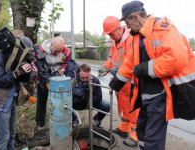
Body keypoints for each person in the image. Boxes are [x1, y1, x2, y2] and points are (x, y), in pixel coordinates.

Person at [109, 1, 195, 150]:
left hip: (161, 94)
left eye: (128, 23)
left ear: (136, 17)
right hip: (145, 94)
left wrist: (145, 68)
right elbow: (130, 63)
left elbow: (176, 58)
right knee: (142, 131)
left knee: (152, 137)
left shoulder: (164, 29)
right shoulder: (137, 36)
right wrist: (116, 82)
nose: (127, 27)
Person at [99, 16, 139, 147]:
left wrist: (118, 70)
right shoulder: (114, 41)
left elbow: (134, 61)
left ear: (119, 28)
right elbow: (111, 58)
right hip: (120, 81)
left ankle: (135, 135)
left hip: (130, 80)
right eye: (109, 34)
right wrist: (106, 66)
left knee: (133, 107)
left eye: (111, 33)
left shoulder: (131, 39)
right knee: (123, 105)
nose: (110, 37)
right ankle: (124, 128)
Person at [0, 28, 32, 150]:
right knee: (4, 136)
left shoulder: (13, 58)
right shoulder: (0, 56)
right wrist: (17, 73)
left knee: (11, 134)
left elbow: (18, 79)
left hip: (11, 100)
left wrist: (25, 72)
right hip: (1, 102)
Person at [35, 36, 71, 131]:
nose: (58, 53)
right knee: (41, 101)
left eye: (60, 50)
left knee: (58, 101)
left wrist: (63, 69)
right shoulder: (41, 50)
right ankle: (40, 123)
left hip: (57, 78)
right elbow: (35, 64)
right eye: (56, 51)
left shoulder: (66, 51)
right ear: (51, 45)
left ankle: (59, 120)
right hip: (43, 77)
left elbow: (67, 62)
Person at [72, 63, 110, 128]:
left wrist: (84, 97)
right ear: (79, 73)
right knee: (65, 104)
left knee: (106, 106)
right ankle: (74, 119)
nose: (85, 80)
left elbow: (99, 97)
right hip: (77, 103)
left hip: (90, 102)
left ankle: (97, 118)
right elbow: (69, 93)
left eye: (87, 77)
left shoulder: (95, 80)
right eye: (83, 78)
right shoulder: (74, 80)